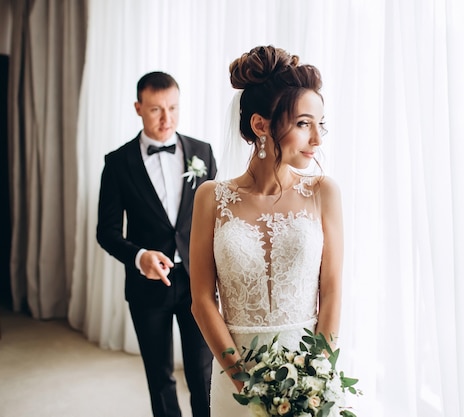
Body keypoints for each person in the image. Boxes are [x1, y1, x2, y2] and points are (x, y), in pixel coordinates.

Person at [189, 45, 344, 416]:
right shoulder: (211, 197)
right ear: (261, 125)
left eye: (319, 125)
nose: (317, 140)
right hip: (237, 374)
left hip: (308, 376)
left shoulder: (323, 192)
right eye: (304, 124)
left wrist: (317, 376)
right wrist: (247, 386)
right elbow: (202, 299)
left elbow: (333, 288)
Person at [96, 71, 217, 417]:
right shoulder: (117, 163)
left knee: (203, 374)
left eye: (173, 108)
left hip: (198, 283)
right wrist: (139, 257)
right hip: (147, 287)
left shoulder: (202, 153)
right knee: (160, 377)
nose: (167, 119)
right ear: (138, 108)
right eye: (155, 110)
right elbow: (106, 232)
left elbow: (216, 219)